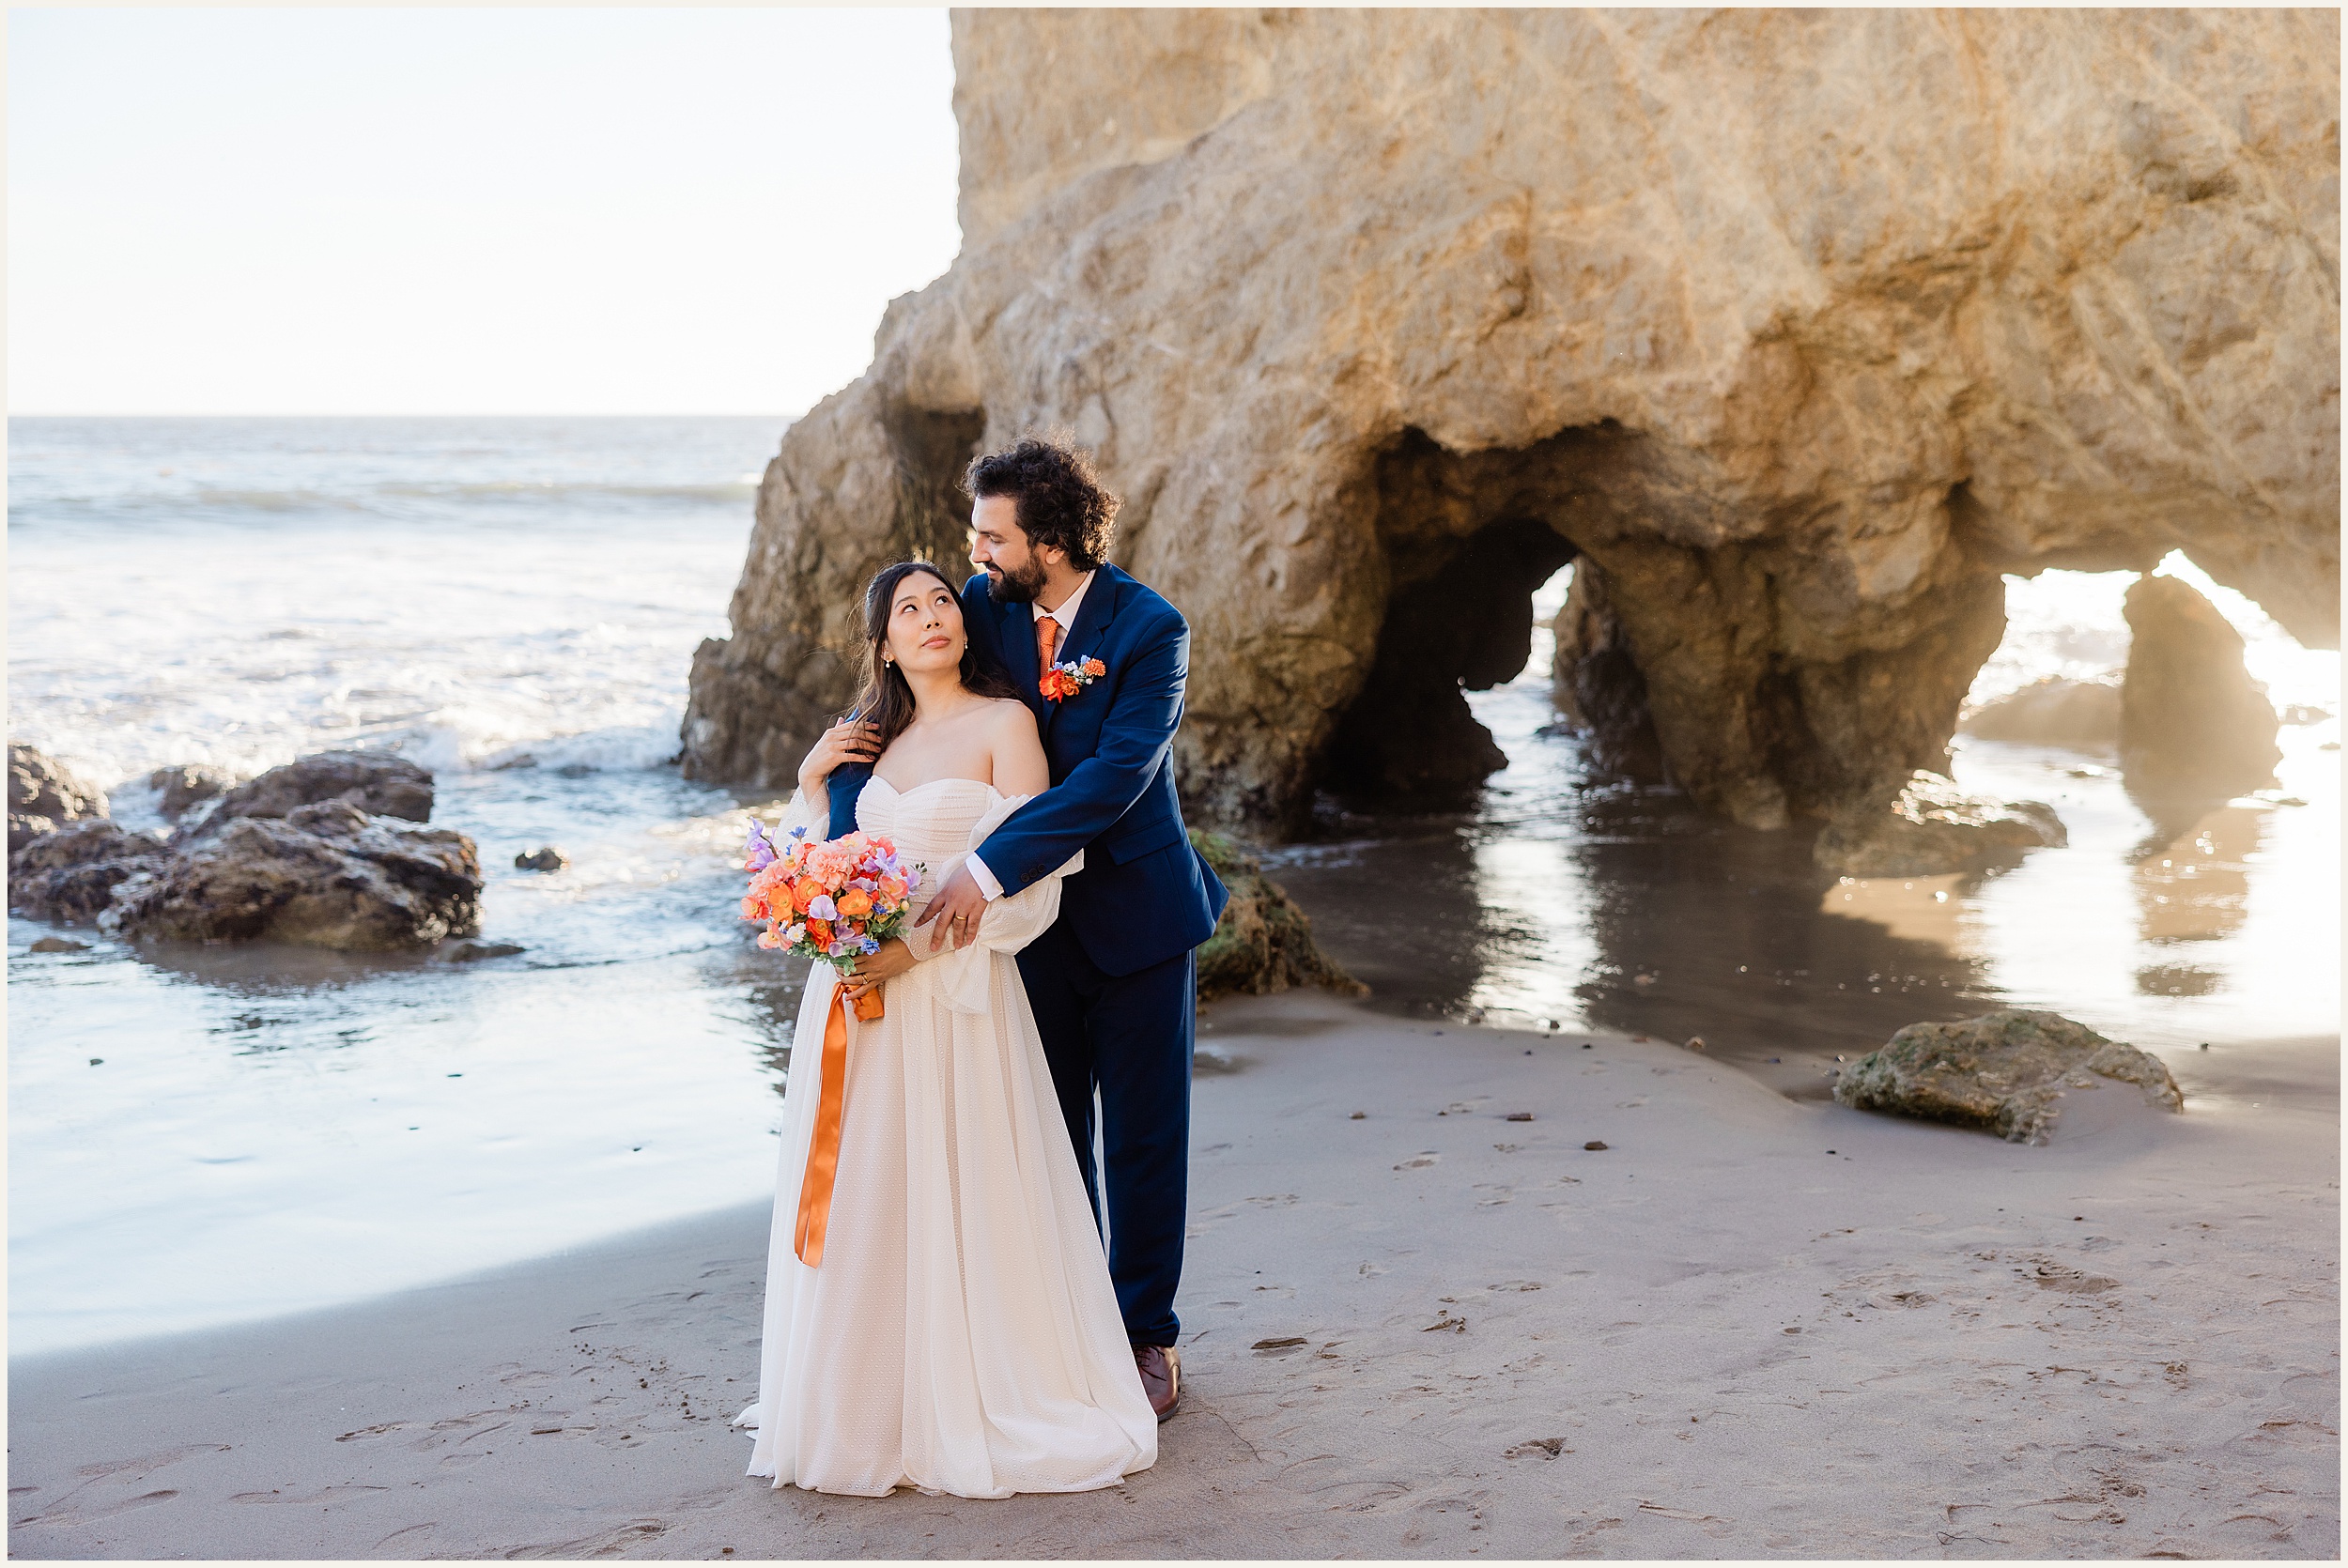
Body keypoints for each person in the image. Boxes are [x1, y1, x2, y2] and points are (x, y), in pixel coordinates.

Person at [736, 559, 1158, 1499]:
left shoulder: (1007, 725)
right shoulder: (862, 745)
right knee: (870, 1187)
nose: (930, 617)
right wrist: (811, 781)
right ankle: (866, 1393)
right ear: (882, 641)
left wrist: (911, 952)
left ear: (964, 625)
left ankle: (971, 1388)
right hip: (853, 1000)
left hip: (954, 992)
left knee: (958, 1179)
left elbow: (1039, 877)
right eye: (906, 609)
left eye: (941, 602)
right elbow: (811, 867)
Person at [911, 435, 1228, 1422]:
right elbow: (919, 700)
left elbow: (1111, 779)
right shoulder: (987, 612)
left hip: (1137, 918)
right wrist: (835, 788)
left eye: (991, 535)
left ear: (1047, 538)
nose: (975, 554)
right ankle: (1065, 1323)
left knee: (1142, 1138)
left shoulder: (1150, 629)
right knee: (1045, 1134)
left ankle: (1145, 1336)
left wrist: (983, 863)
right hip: (1025, 933)